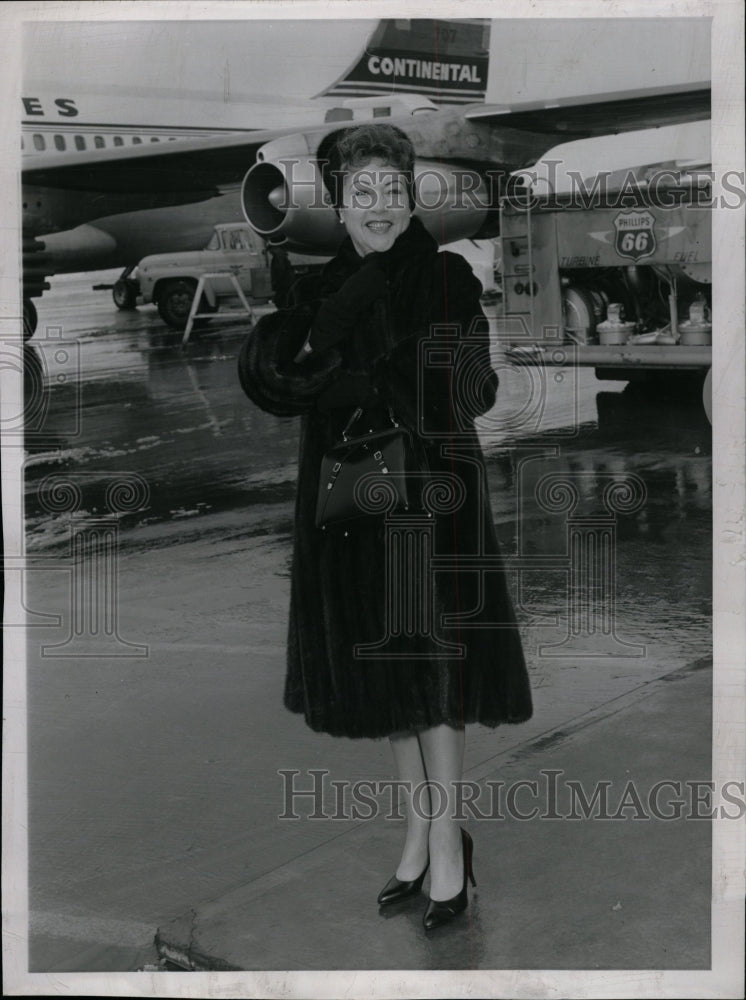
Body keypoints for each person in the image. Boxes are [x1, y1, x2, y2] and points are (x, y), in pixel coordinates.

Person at [238, 123, 532, 931]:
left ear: (412, 198)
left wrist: (374, 374)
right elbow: (273, 375)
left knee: (435, 682)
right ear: (336, 204)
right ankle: (417, 830)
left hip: (431, 505)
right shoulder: (315, 287)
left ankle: (448, 845)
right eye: (362, 193)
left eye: (393, 192)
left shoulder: (443, 277)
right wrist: (340, 318)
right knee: (386, 688)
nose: (380, 206)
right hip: (350, 508)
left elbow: (476, 395)